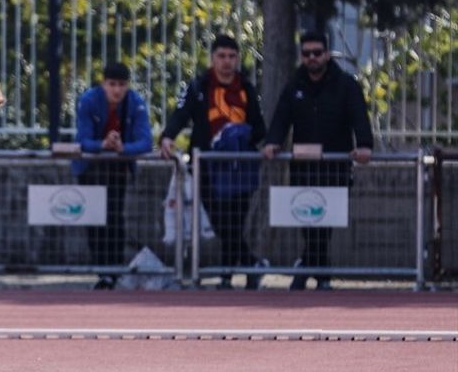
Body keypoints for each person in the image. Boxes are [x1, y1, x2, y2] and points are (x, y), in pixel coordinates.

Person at [263, 31, 373, 291]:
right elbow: (281, 117)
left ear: (326, 54)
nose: (312, 58)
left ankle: (308, 269)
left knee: (326, 221)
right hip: (303, 166)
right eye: (306, 53)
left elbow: (359, 117)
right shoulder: (294, 85)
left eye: (317, 52)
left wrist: (364, 145)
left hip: (335, 166)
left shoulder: (346, 85)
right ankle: (319, 271)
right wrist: (273, 141)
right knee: (308, 221)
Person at [160, 35, 267, 289]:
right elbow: (181, 113)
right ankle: (251, 264)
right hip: (207, 166)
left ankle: (227, 276)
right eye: (221, 56)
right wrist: (167, 136)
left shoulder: (246, 88)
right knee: (221, 221)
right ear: (212, 58)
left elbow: (259, 127)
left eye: (231, 56)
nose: (226, 62)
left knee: (235, 222)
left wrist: (240, 137)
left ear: (237, 59)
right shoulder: (199, 86)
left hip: (239, 167)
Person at [72, 61, 153, 290]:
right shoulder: (89, 100)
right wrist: (103, 144)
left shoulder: (135, 102)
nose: (117, 90)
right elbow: (83, 140)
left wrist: (122, 148)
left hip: (117, 169)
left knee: (115, 217)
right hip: (91, 169)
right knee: (94, 219)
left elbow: (146, 141)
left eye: (122, 85)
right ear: (103, 84)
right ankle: (103, 271)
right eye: (112, 84)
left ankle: (114, 270)